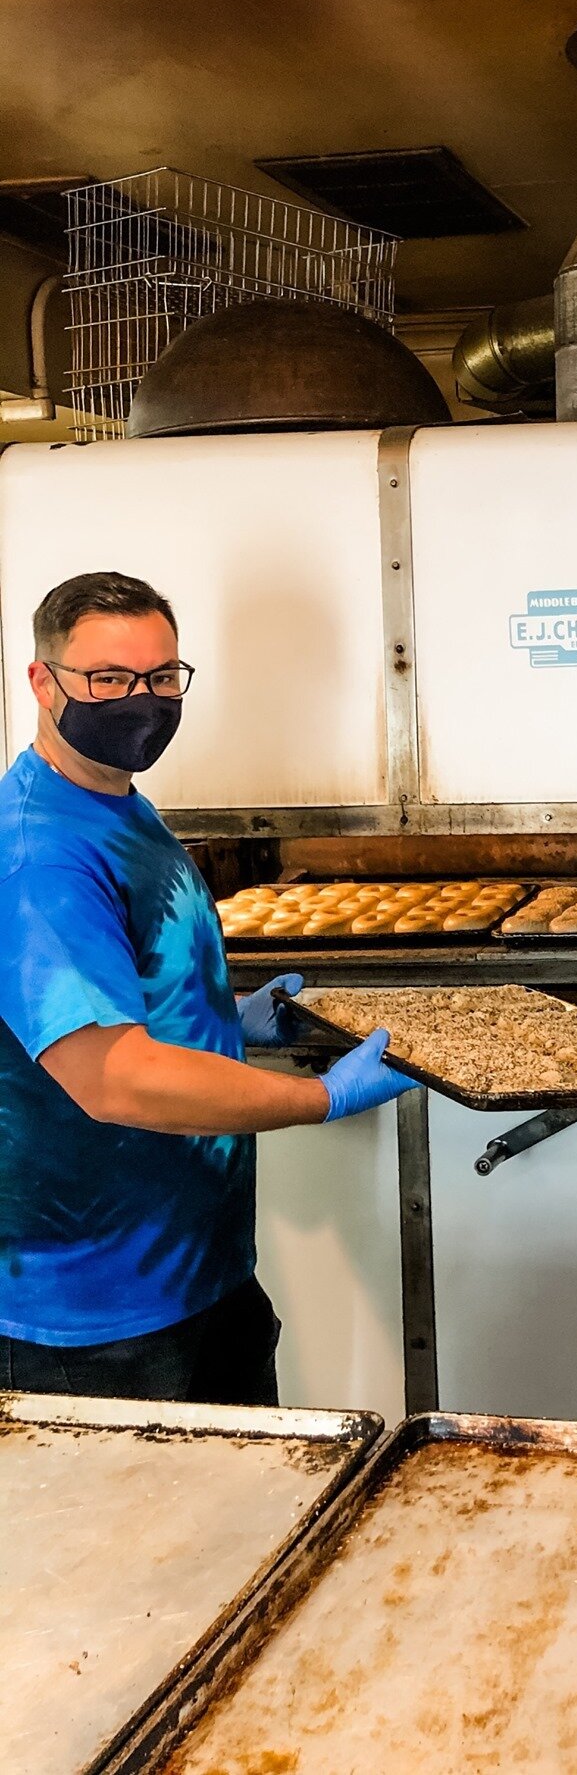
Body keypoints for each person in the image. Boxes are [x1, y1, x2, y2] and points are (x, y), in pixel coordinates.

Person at [0, 571, 417, 1405]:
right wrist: (320, 1099)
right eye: (109, 679)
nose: (141, 701)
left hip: (202, 1272)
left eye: (161, 677)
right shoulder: (36, 856)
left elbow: (128, 988)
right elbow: (114, 1076)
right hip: (99, 1321)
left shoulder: (117, 804)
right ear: (44, 683)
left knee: (251, 1530)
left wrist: (226, 1014)